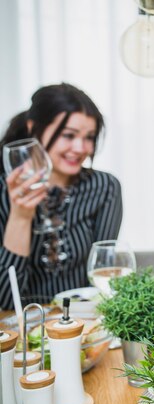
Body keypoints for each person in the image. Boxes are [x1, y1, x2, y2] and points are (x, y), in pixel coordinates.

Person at [0, 83, 123, 309]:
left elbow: (102, 279)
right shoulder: (4, 190)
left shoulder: (105, 187)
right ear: (33, 128)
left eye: (89, 137)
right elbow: (6, 303)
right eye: (68, 135)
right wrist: (21, 216)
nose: (80, 147)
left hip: (83, 323)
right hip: (23, 329)